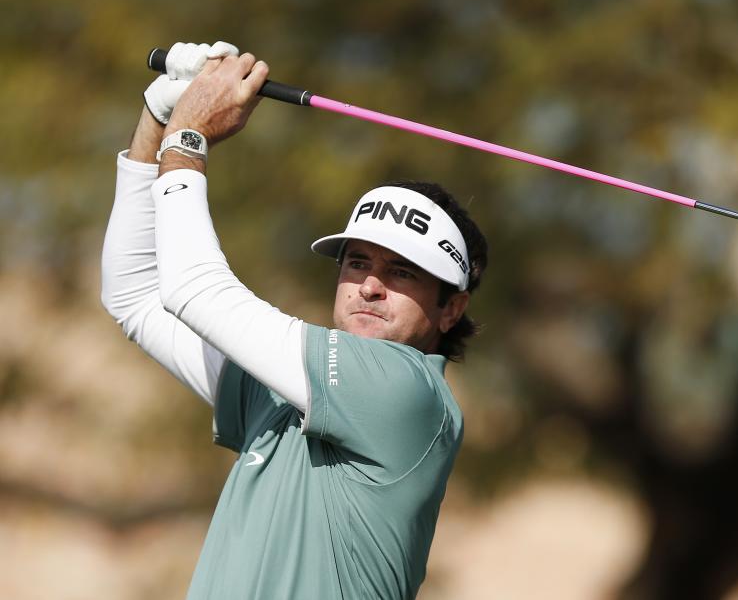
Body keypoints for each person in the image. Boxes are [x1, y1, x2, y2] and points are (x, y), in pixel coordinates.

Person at [101, 42, 488, 600]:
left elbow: (194, 288)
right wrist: (156, 122)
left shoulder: (407, 392)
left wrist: (189, 138)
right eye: (358, 263)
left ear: (451, 307)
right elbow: (135, 295)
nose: (370, 286)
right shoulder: (288, 392)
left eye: (402, 273)